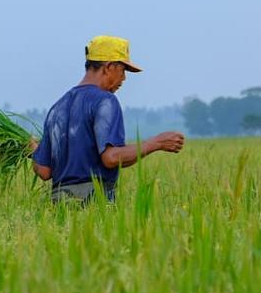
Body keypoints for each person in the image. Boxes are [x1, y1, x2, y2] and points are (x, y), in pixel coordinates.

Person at [30, 35, 185, 203]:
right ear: (109, 67)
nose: (124, 78)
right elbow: (111, 158)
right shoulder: (105, 101)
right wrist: (157, 143)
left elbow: (44, 171)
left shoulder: (57, 107)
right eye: (123, 70)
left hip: (58, 204)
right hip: (94, 201)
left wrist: (33, 150)